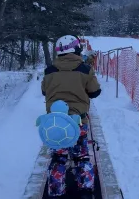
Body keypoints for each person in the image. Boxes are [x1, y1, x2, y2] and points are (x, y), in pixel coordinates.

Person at [41, 35, 102, 198]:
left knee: (58, 157)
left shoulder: (49, 70)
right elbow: (95, 92)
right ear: (76, 49)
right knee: (82, 156)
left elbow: (44, 91)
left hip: (56, 124)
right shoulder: (85, 69)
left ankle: (56, 191)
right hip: (78, 122)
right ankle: (86, 192)